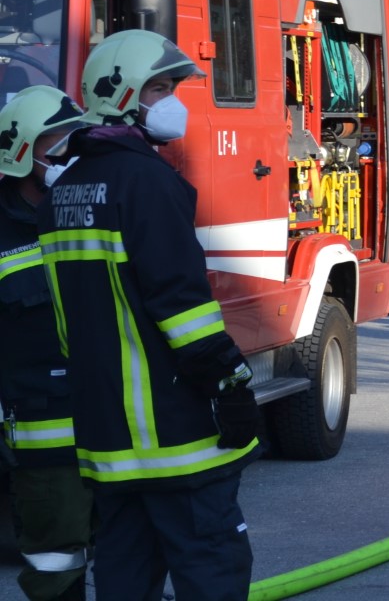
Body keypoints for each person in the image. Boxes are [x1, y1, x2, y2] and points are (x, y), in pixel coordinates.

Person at [39, 30, 261, 600]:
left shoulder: (66, 189)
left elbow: (67, 322)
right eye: (162, 89)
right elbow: (181, 305)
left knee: (125, 575)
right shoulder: (147, 182)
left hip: (109, 439)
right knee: (212, 568)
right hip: (174, 432)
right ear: (124, 97)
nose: (173, 103)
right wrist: (229, 380)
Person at [0, 86, 95, 601]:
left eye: (75, 137)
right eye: (56, 141)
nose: (69, 151)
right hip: (43, 436)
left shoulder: (97, 207)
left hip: (118, 423)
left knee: (131, 552)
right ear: (21, 152)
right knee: (56, 564)